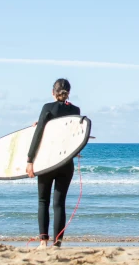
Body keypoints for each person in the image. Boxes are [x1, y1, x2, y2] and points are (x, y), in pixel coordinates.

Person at [26, 78, 80, 249]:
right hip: (66, 163)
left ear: (52, 92)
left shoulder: (47, 108)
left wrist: (30, 160)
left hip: (47, 162)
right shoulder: (75, 110)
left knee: (43, 201)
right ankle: (57, 243)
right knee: (59, 204)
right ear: (68, 93)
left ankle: (43, 242)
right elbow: (76, 135)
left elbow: (38, 135)